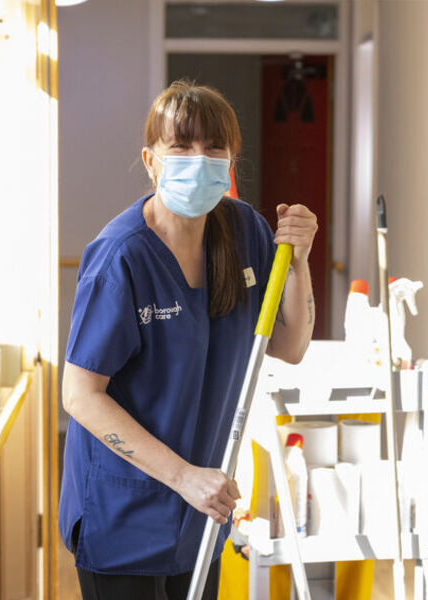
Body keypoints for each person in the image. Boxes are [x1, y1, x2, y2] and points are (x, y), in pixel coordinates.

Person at [59, 80, 318, 600]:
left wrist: (300, 259)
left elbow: (290, 346)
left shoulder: (242, 229)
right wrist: (184, 477)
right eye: (181, 146)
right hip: (124, 515)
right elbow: (79, 394)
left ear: (230, 161)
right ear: (151, 161)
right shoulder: (122, 257)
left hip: (200, 516)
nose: (198, 160)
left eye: (213, 148)